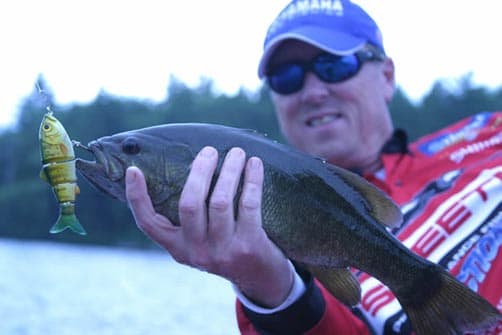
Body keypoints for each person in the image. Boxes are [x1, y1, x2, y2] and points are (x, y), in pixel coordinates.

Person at [125, 0, 502, 334]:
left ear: (386, 76)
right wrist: (274, 290)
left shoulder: (486, 134)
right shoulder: (271, 251)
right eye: (287, 77)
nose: (313, 91)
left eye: (335, 65)